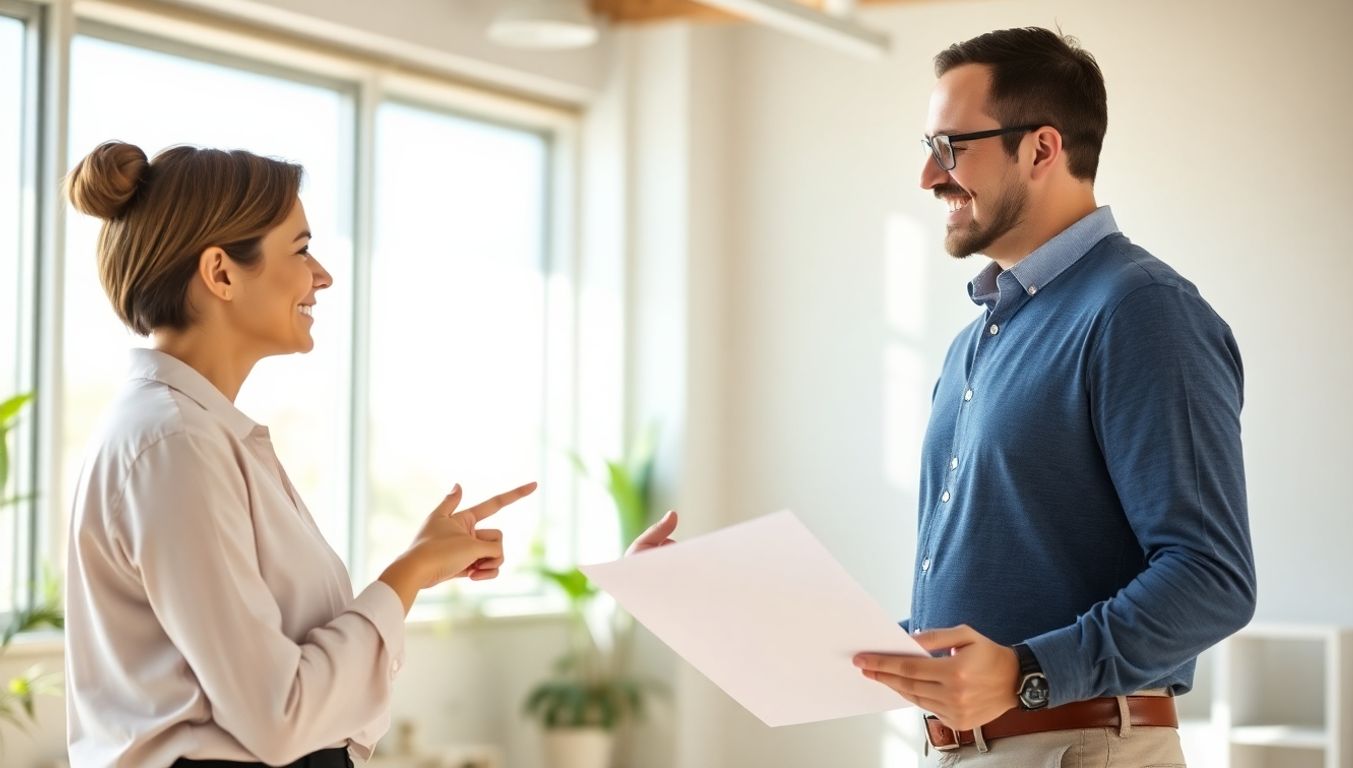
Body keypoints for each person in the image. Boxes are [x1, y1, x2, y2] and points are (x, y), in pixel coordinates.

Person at [633, 27, 1256, 766]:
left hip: (1077, 746)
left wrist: (1026, 675)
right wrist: (722, 605)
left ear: (1041, 149)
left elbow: (1213, 578)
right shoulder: (975, 344)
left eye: (951, 147)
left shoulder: (1140, 311)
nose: (929, 177)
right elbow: (978, 627)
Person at [62, 141, 537, 768]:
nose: (323, 276)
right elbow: (279, 714)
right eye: (302, 248)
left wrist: (418, 564)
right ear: (222, 273)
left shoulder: (197, 434)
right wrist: (409, 572)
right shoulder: (175, 444)